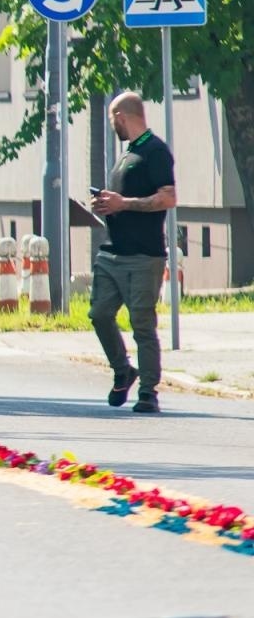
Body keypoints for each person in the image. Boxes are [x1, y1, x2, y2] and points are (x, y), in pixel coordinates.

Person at [89, 91, 176, 414]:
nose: (114, 125)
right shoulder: (127, 154)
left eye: (113, 119)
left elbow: (167, 198)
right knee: (99, 314)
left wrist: (123, 203)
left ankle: (148, 391)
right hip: (113, 253)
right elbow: (123, 201)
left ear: (122, 117)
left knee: (142, 323)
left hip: (144, 256)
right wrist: (107, 205)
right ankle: (123, 369)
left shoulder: (155, 152)